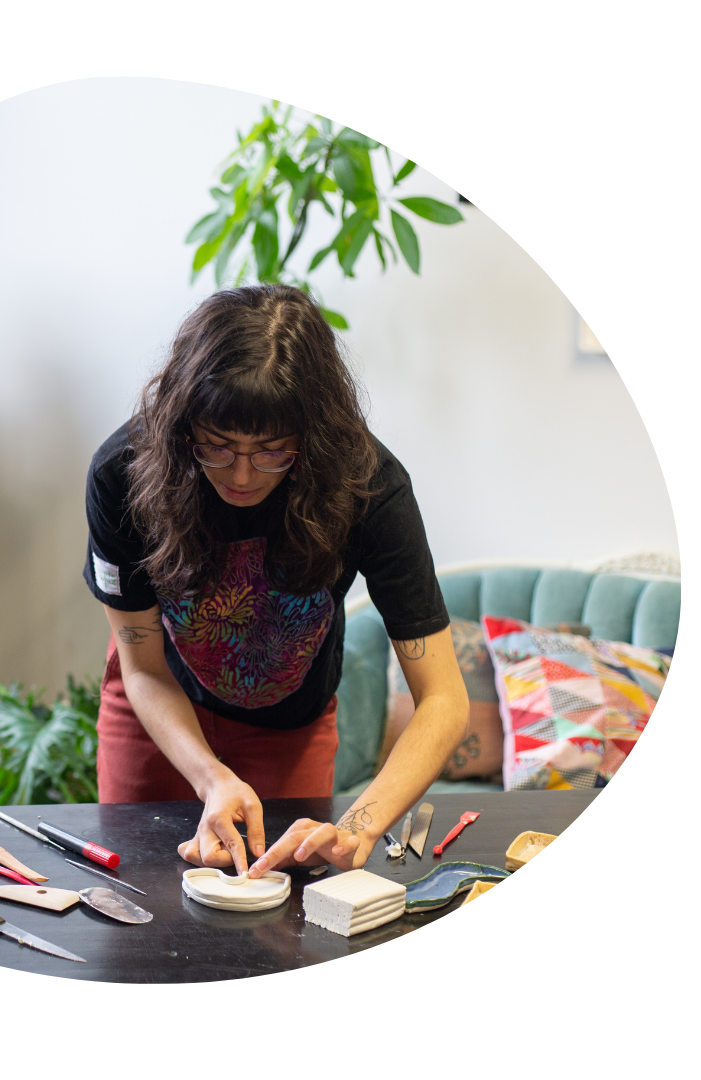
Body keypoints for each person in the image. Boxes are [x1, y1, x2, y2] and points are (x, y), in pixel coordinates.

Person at [82, 284, 468, 879]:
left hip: (291, 725)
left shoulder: (369, 487)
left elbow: (443, 700)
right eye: (217, 445)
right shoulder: (125, 472)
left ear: (311, 437)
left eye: (271, 451)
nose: (240, 474)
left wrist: (359, 828)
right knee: (138, 894)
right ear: (185, 422)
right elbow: (141, 665)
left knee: (286, 907)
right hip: (158, 706)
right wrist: (211, 777)